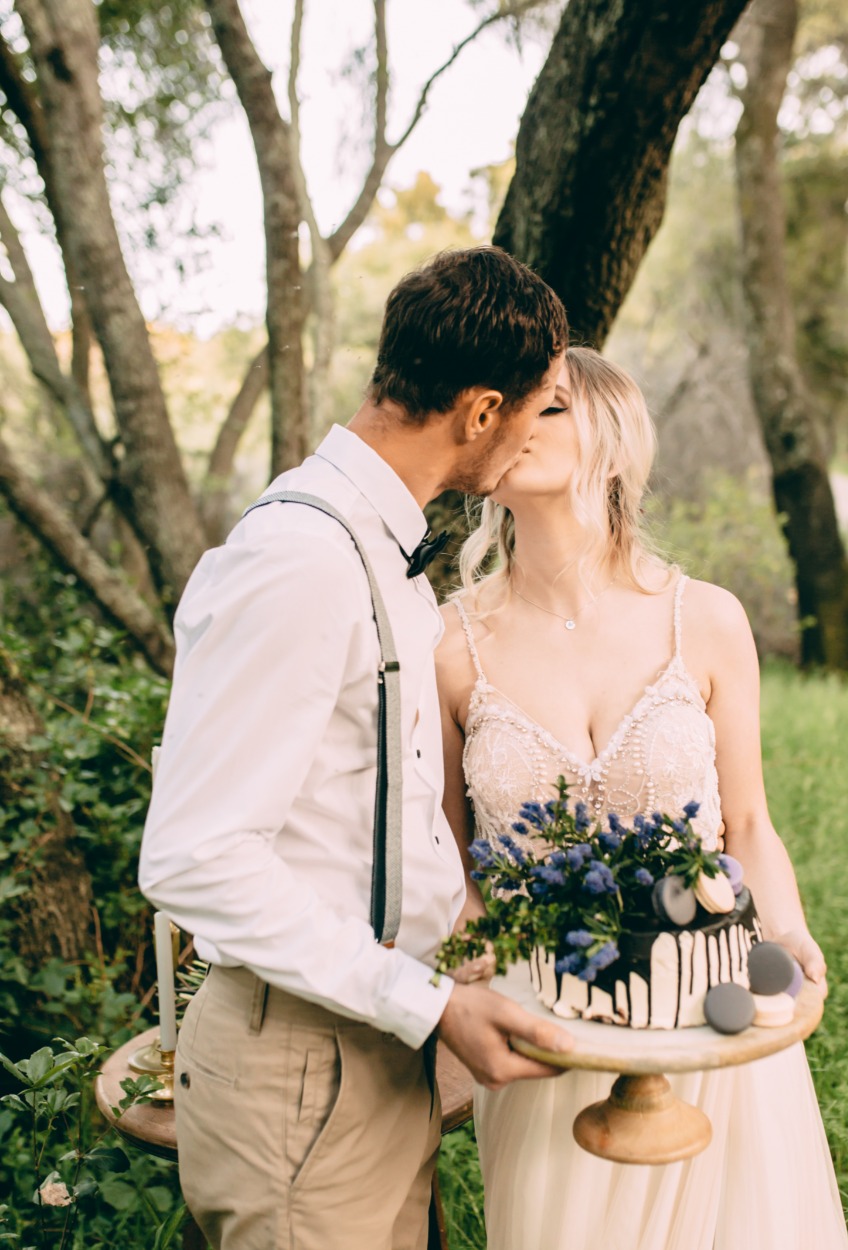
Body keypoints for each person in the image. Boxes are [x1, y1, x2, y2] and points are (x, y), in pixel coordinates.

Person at [138, 246, 575, 1250]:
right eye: (537, 405)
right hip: (301, 1067)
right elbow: (195, 856)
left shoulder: (376, 547)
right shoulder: (300, 561)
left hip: (369, 1043)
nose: (533, 434)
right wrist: (418, 999)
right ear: (478, 411)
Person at [435, 346, 848, 1250]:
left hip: (706, 1006)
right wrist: (475, 983)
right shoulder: (448, 642)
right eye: (504, 409)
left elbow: (746, 822)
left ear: (614, 444)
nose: (515, 426)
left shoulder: (706, 619)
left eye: (548, 410)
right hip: (546, 1029)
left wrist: (787, 934)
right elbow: (446, 855)